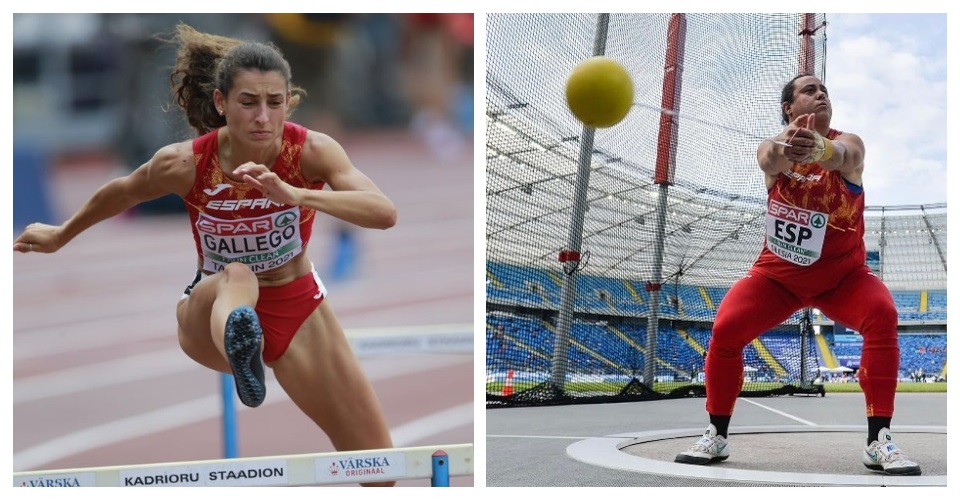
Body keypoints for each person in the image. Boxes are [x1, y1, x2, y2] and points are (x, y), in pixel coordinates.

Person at [13, 23, 399, 486]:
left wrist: (296, 194)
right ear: (221, 103)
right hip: (211, 307)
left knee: (380, 471)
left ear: (288, 103)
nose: (262, 117)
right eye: (248, 103)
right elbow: (122, 191)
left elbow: (383, 212)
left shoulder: (311, 152)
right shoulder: (187, 162)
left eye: (274, 103)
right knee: (239, 273)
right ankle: (243, 340)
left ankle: (251, 340)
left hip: (297, 306)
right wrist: (62, 234)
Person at [673, 74, 921, 476]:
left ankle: (879, 441)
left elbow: (846, 156)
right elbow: (770, 160)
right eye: (809, 90)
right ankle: (716, 435)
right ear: (789, 107)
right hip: (778, 279)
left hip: (843, 278)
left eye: (824, 91)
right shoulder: (772, 149)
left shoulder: (850, 141)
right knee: (726, 328)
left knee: (882, 314)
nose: (821, 94)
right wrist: (789, 150)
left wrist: (821, 148)